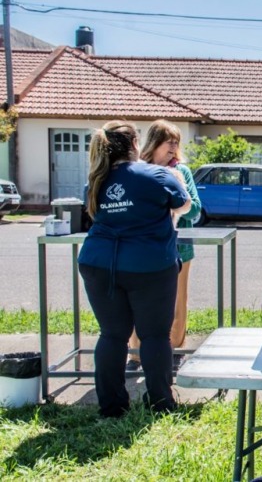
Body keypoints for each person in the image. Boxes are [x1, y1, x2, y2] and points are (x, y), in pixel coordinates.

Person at [79, 120, 191, 417]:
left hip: (98, 263)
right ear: (134, 145)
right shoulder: (155, 174)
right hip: (149, 265)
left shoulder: (96, 178)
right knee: (154, 336)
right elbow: (183, 204)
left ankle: (111, 406)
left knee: (112, 335)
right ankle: (160, 403)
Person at [126, 120, 202, 372]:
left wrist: (173, 202)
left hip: (180, 248)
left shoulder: (183, 171)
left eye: (176, 142)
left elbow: (196, 210)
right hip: (142, 248)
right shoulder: (137, 169)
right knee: (139, 301)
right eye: (168, 142)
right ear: (154, 142)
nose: (173, 147)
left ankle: (175, 350)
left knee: (177, 300)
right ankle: (135, 355)